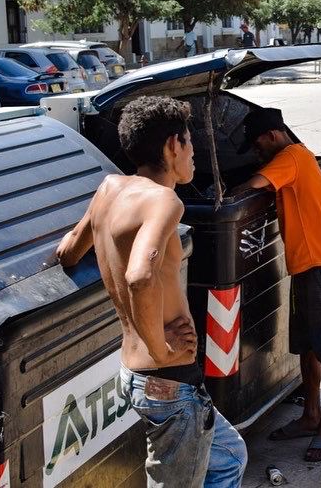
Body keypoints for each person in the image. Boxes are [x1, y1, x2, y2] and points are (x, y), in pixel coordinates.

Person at [56, 96, 247, 487]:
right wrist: (161, 349)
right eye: (190, 142)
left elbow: (69, 250)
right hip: (168, 379)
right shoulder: (164, 201)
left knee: (228, 456)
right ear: (172, 145)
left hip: (135, 372)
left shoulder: (110, 188)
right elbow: (139, 276)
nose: (194, 153)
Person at [232, 108, 321, 462]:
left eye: (256, 146)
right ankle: (310, 415)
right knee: (306, 349)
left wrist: (223, 193)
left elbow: (253, 185)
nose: (257, 154)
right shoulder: (297, 155)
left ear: (271, 135)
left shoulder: (291, 156)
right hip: (305, 269)